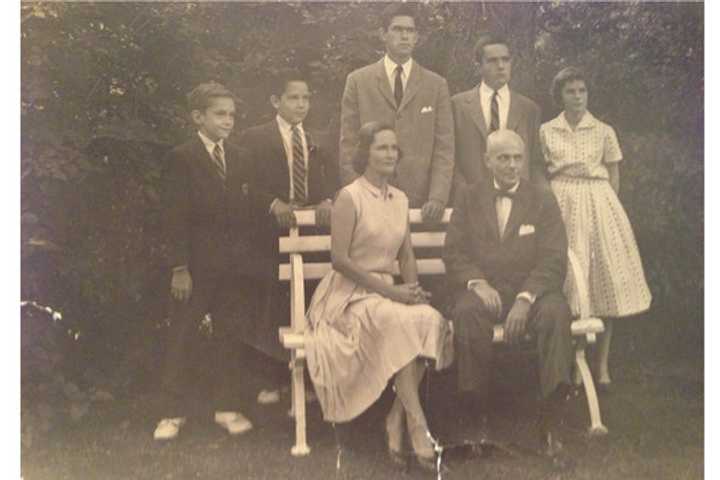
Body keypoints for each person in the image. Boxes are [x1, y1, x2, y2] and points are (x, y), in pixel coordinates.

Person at [305, 122, 453, 470]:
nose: (390, 154)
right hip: (348, 296)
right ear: (365, 153)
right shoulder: (350, 196)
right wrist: (392, 292)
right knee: (398, 322)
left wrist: (413, 292)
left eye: (393, 148)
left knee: (428, 318)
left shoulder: (400, 198)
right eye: (382, 147)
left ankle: (395, 418)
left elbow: (406, 255)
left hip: (388, 295)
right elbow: (339, 260)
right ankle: (419, 429)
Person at [443, 129, 573, 457]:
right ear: (488, 161)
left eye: (517, 158)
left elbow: (553, 258)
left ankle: (551, 423)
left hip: (532, 292)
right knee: (467, 313)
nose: (512, 165)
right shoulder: (470, 197)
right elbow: (454, 252)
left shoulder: (542, 198)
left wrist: (526, 298)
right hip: (487, 290)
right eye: (503, 158)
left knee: (556, 314)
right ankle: (478, 419)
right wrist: (478, 283)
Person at [155, 82, 260, 441]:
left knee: (230, 334)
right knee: (182, 334)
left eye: (232, 114)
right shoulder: (181, 157)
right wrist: (179, 268)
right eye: (220, 114)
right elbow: (173, 216)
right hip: (194, 268)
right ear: (198, 117)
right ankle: (171, 413)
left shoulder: (241, 157)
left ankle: (226, 407)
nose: (228, 121)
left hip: (232, 268)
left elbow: (246, 212)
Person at [539, 67, 652, 390]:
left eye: (582, 91)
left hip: (599, 204)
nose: (577, 97)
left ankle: (600, 364)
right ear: (559, 96)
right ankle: (572, 360)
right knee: (569, 281)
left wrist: (604, 209)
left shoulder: (603, 131)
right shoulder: (548, 131)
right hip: (561, 203)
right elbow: (544, 173)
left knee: (603, 281)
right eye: (570, 91)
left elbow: (613, 176)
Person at [240, 71, 338, 403]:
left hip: (308, 230)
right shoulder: (255, 138)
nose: (301, 104)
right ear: (275, 101)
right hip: (270, 232)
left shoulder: (318, 138)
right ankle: (271, 379)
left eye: (306, 98)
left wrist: (327, 200)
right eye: (294, 98)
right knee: (273, 301)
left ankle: (309, 379)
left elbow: (331, 181)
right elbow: (242, 184)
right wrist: (271, 202)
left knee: (310, 298)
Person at [338, 3, 454, 223]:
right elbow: (348, 145)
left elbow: (444, 148)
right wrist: (359, 195)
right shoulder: (358, 81)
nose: (404, 36)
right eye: (397, 29)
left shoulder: (436, 85)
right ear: (383, 34)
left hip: (422, 205)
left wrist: (438, 198)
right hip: (371, 200)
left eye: (410, 31)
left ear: (417, 37)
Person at [451, 33, 544, 201]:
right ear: (478, 66)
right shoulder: (458, 106)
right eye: (492, 61)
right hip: (472, 200)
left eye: (505, 60)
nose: (501, 66)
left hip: (518, 201)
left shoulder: (529, 109)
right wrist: (464, 192)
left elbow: (535, 162)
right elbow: (451, 157)